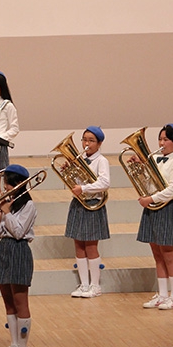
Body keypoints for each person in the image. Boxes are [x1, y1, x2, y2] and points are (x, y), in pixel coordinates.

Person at [138, 124, 173, 310]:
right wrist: (140, 170)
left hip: (169, 208)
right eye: (160, 139)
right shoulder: (156, 159)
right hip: (153, 207)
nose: (161, 143)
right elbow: (149, 184)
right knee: (157, 253)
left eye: (166, 139)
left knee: (168, 253)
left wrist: (151, 199)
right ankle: (162, 294)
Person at [0, 164, 37, 347]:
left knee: (20, 301)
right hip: (4, 250)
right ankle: (14, 345)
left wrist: (7, 213)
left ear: (19, 184)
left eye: (8, 184)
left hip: (19, 251)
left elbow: (18, 232)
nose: (5, 188)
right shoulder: (8, 204)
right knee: (8, 302)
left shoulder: (29, 206)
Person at [65, 126, 110, 298]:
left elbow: (105, 183)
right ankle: (84, 284)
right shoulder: (79, 159)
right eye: (84, 139)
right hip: (78, 204)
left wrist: (83, 188)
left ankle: (95, 285)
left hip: (93, 204)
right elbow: (74, 183)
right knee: (78, 245)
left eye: (91, 141)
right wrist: (68, 173)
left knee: (91, 246)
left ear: (99, 143)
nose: (86, 144)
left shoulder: (102, 161)